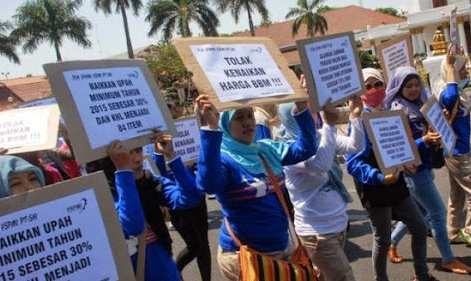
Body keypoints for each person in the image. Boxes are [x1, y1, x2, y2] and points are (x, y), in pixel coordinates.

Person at [196, 94, 317, 281]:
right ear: (225, 125)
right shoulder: (223, 159)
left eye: (249, 115)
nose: (247, 123)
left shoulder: (266, 149)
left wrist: (301, 108)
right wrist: (211, 130)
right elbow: (209, 184)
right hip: (246, 256)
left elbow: (306, 149)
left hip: (282, 248)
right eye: (239, 118)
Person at [345, 68, 438, 281]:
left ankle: (421, 275)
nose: (374, 90)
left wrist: (412, 156)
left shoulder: (389, 114)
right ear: (360, 92)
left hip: (397, 183)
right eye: (367, 86)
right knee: (383, 239)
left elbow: (400, 146)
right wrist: (380, 177)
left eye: (377, 84)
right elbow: (353, 163)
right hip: (375, 187)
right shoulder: (359, 120)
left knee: (419, 226)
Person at [386, 66, 471, 275]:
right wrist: (424, 139)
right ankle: (448, 259)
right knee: (438, 213)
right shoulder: (397, 112)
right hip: (414, 171)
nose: (414, 89)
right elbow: (399, 148)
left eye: (417, 84)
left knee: (418, 212)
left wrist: (438, 121)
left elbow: (431, 133)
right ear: (399, 88)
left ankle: (390, 242)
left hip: (425, 165)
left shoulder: (419, 105)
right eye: (409, 86)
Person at [86, 131, 200, 281]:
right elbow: (133, 226)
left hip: (168, 272)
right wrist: (123, 172)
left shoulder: (150, 181)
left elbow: (191, 198)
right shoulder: (103, 195)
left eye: (138, 150)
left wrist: (171, 156)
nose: (138, 159)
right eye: (127, 153)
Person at [280, 97, 362, 281]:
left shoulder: (320, 135)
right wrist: (330, 126)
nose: (314, 116)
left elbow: (355, 145)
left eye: (312, 111)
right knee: (344, 277)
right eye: (306, 113)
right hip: (317, 233)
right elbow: (321, 164)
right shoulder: (287, 149)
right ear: (293, 118)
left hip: (337, 226)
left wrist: (355, 117)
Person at [437, 46, 471, 250]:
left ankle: (453, 230)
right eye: (462, 71)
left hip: (458, 150)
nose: (466, 74)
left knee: (458, 192)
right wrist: (450, 65)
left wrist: (456, 57)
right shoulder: (448, 94)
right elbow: (450, 96)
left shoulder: (459, 92)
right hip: (455, 152)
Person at [160, 100, 212, 281]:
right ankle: (176, 271)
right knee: (195, 246)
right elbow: (157, 171)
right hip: (177, 200)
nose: (172, 113)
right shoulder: (154, 144)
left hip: (195, 193)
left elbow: (196, 159)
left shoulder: (185, 128)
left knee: (204, 245)